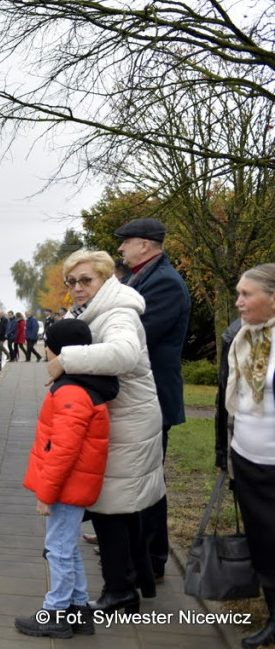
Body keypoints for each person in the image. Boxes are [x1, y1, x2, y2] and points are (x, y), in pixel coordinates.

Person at [46, 249, 165, 613]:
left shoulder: (117, 312)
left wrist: (64, 361)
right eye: (72, 282)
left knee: (111, 511)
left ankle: (120, 592)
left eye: (86, 280)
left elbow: (124, 354)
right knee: (120, 510)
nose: (78, 288)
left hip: (125, 423)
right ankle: (132, 583)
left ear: (105, 278)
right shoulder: (92, 310)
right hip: (114, 421)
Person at [15, 319, 118, 639]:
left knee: (57, 548)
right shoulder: (81, 384)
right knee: (66, 546)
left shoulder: (71, 391)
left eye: (47, 344)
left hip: (67, 485)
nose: (44, 350)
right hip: (74, 483)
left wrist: (46, 492)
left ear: (59, 350)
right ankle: (78, 609)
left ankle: (56, 612)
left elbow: (64, 449)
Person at [115, 217, 191, 582]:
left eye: (125, 242)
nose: (120, 248)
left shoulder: (163, 283)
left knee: (148, 481)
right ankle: (134, 546)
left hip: (154, 397)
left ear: (145, 244)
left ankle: (152, 558)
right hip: (142, 396)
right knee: (136, 475)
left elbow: (137, 336)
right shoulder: (141, 278)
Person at [215, 263, 275, 649]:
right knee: (264, 544)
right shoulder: (242, 338)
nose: (238, 302)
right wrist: (226, 452)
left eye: (246, 294)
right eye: (238, 293)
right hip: (248, 461)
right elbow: (231, 400)